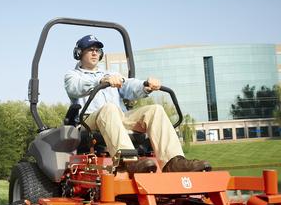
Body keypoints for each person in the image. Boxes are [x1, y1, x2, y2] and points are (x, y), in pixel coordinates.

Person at [64, 35, 211, 173]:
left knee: (155, 110)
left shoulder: (111, 73)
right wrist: (101, 81)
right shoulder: (73, 75)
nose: (95, 53)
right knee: (109, 109)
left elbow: (129, 85)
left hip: (118, 118)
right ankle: (129, 161)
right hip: (89, 121)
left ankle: (173, 162)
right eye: (90, 50)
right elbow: (75, 87)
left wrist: (145, 85)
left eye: (97, 50)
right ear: (79, 53)